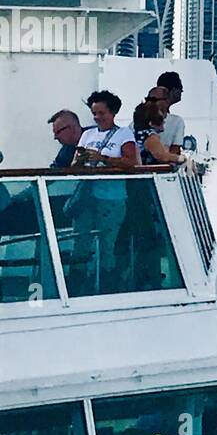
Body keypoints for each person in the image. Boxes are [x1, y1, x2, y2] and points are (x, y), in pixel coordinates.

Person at [68, 92, 139, 293]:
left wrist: (104, 158)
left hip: (112, 198)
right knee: (80, 242)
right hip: (87, 197)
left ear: (113, 112)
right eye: (94, 113)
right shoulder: (87, 135)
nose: (97, 117)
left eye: (101, 113)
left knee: (107, 245)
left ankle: (107, 288)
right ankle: (76, 287)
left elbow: (131, 162)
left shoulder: (123, 134)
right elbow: (73, 165)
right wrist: (81, 161)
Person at [132, 100, 179, 167]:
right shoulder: (150, 137)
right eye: (160, 119)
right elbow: (162, 157)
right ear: (151, 124)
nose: (164, 122)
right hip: (145, 173)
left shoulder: (137, 135)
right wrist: (180, 158)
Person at [155, 71, 185, 155]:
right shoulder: (177, 121)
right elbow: (174, 153)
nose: (182, 91)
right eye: (180, 88)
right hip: (163, 165)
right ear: (173, 90)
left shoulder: (141, 115)